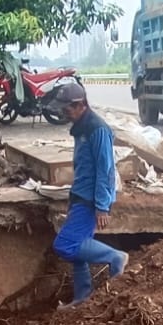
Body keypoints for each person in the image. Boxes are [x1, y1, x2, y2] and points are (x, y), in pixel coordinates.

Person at [47, 82, 127, 308]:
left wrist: (102, 206)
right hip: (80, 196)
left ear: (80, 105)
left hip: (91, 200)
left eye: (66, 109)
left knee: (65, 245)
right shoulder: (82, 127)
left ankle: (115, 257)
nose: (64, 113)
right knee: (79, 246)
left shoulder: (97, 129)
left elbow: (106, 169)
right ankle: (82, 298)